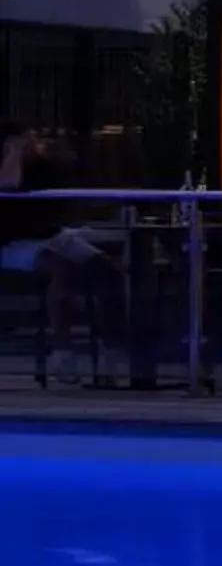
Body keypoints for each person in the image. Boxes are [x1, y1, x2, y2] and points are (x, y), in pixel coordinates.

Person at [1, 119, 117, 384]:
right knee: (58, 268)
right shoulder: (9, 164)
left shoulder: (44, 165)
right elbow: (7, 185)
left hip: (52, 234)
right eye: (27, 139)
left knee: (106, 269)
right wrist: (13, 152)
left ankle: (111, 351)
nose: (34, 143)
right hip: (11, 242)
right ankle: (62, 353)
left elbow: (64, 180)